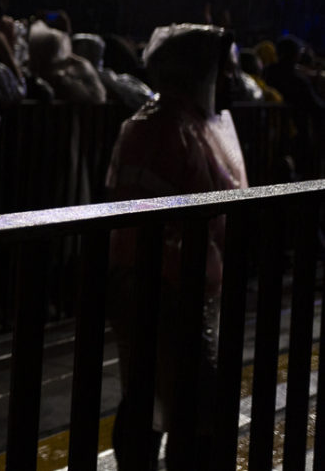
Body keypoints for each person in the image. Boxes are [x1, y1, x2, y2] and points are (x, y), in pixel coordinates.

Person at [106, 24, 247, 469]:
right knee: (190, 403)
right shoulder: (172, 128)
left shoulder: (167, 121)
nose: (229, 82)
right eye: (223, 71)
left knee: (149, 395)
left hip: (158, 281)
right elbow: (206, 208)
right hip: (169, 285)